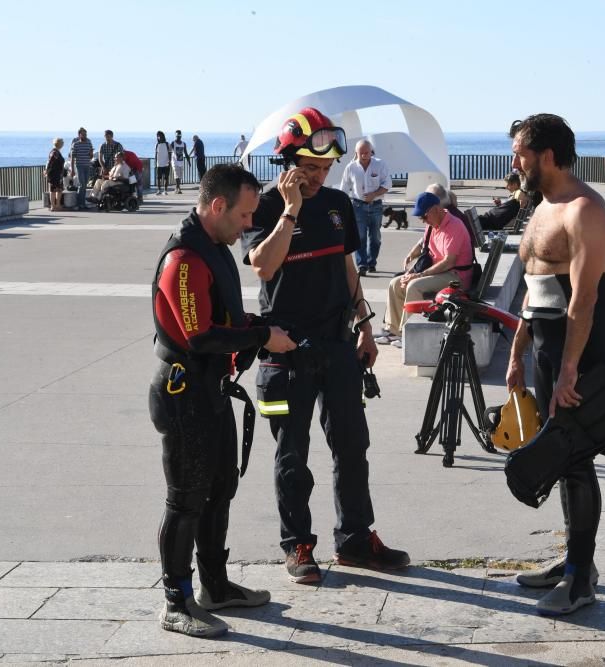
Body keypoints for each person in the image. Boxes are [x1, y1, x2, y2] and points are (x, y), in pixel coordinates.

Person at [242, 107, 409, 584]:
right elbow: (262, 266)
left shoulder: (338, 205)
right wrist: (291, 209)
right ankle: (298, 544)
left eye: (325, 168)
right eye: (309, 168)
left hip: (339, 344)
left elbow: (346, 267)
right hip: (286, 347)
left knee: (353, 446)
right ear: (287, 162)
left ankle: (355, 539)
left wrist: (365, 327)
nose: (318, 177)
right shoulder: (266, 205)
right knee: (292, 454)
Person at [150, 163, 297, 638]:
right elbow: (198, 335)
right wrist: (259, 334)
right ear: (218, 206)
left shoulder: (213, 245)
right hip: (183, 393)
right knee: (186, 500)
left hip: (210, 391)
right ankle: (176, 601)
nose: (249, 224)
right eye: (245, 214)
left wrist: (254, 325)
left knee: (220, 488)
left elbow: (221, 318)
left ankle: (215, 585)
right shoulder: (185, 259)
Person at [505, 113, 605, 616]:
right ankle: (575, 562)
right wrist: (516, 351)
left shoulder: (583, 210)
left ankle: (580, 579)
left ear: (547, 155)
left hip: (580, 352)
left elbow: (584, 301)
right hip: (546, 348)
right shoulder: (541, 206)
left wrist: (570, 370)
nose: (514, 162)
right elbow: (536, 292)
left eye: (520, 153)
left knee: (575, 461)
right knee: (556, 456)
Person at [376, 192, 475, 347]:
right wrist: (410, 256)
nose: (422, 220)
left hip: (457, 276)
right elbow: (423, 243)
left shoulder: (454, 226)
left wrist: (419, 275)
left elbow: (449, 262)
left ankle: (409, 335)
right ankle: (394, 331)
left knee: (415, 286)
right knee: (395, 283)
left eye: (424, 216)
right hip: (442, 272)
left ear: (436, 209)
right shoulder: (433, 224)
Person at [340, 139, 391, 275]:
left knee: (375, 238)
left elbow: (387, 184)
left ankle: (371, 262)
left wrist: (374, 194)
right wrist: (342, 207)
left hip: (376, 206)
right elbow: (344, 188)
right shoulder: (351, 167)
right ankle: (362, 265)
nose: (364, 155)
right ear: (356, 153)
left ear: (371, 151)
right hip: (358, 206)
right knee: (360, 237)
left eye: (367, 152)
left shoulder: (380, 164)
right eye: (361, 153)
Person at [69, 128, 94, 210]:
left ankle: (82, 204)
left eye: (85, 134)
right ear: (79, 135)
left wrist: (91, 154)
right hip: (79, 166)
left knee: (85, 185)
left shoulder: (89, 142)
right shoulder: (75, 144)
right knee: (82, 185)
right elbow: (72, 158)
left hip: (87, 166)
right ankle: (80, 204)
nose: (85, 136)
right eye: (83, 134)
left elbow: (91, 156)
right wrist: (72, 170)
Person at [45, 138, 66, 212]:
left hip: (56, 174)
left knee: (56, 190)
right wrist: (47, 171)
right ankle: (54, 206)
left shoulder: (55, 152)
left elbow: (49, 163)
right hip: (55, 174)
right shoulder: (55, 152)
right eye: (62, 142)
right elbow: (50, 163)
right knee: (54, 190)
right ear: (59, 144)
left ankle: (56, 205)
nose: (63, 144)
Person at [154, 131, 171, 195]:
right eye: (157, 136)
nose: (158, 137)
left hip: (166, 163)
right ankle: (159, 190)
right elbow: (156, 154)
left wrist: (169, 161)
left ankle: (165, 190)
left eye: (159, 135)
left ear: (162, 136)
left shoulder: (167, 144)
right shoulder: (157, 145)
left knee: (166, 178)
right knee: (158, 178)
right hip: (159, 164)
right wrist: (155, 163)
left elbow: (170, 153)